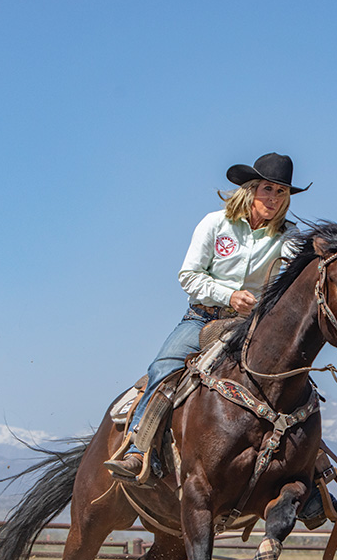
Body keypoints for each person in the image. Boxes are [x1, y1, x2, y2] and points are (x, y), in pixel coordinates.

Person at [104, 152, 308, 482]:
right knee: (164, 369)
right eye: (267, 189)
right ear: (251, 190)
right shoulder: (215, 223)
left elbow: (296, 272)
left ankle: (315, 475)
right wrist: (229, 295)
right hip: (201, 318)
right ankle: (138, 451)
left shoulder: (289, 237)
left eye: (281, 192)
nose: (273, 198)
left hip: (251, 327)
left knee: (294, 382)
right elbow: (189, 275)